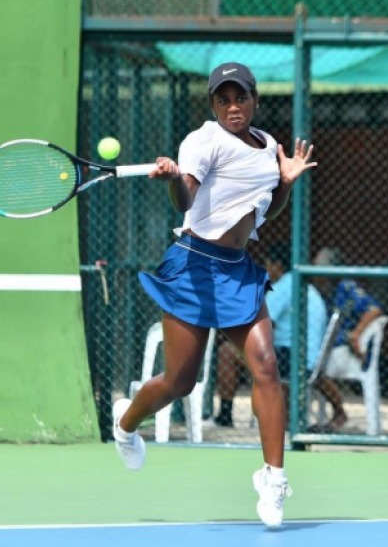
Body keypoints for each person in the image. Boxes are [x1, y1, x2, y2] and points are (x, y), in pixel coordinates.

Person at [110, 62, 316, 527]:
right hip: (194, 266)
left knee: (266, 366)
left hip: (237, 270)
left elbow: (266, 210)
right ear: (213, 105)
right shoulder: (203, 141)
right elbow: (186, 198)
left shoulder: (269, 148)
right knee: (180, 382)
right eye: (223, 100)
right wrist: (173, 180)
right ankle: (126, 423)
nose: (232, 107)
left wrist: (284, 182)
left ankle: (274, 478)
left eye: (240, 97)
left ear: (255, 99)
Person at [213, 243, 345, 429]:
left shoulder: (285, 285)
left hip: (293, 359)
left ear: (277, 266)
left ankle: (225, 415)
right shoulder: (300, 284)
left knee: (228, 351)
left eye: (268, 265)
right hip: (307, 360)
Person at [309, 247, 385, 432]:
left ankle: (338, 413)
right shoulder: (315, 290)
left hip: (340, 347)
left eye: (318, 268)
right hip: (321, 345)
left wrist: (357, 334)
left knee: (307, 366)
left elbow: (374, 309)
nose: (314, 273)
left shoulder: (345, 286)